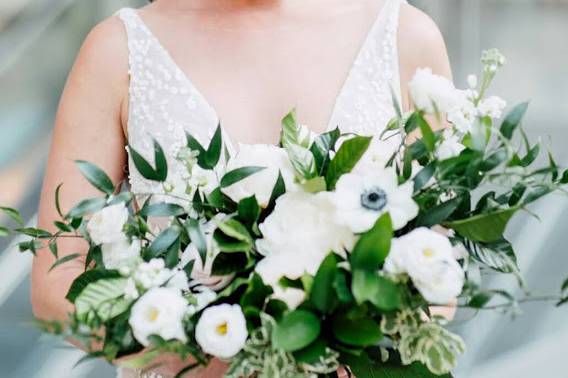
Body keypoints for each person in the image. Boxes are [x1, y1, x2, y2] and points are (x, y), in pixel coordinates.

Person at [31, 0, 452, 376]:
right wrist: (196, 343)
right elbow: (60, 276)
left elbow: (439, 270)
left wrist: (344, 338)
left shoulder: (405, 36)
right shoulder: (117, 50)